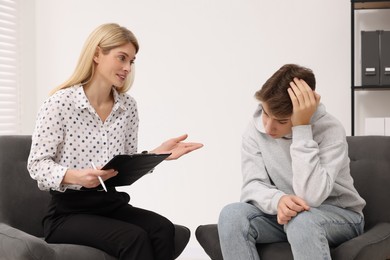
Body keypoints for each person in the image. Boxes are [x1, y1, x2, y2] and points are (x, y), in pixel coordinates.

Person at [27, 23, 203, 260]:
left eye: (131, 61)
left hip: (110, 203)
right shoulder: (59, 103)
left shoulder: (127, 107)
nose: (127, 68)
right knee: (133, 238)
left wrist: (158, 155)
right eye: (122, 58)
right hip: (67, 212)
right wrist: (78, 176)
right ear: (97, 54)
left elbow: (123, 165)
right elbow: (36, 165)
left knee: (163, 229)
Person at [218, 64, 365, 260]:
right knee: (231, 215)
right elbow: (252, 186)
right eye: (266, 113)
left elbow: (311, 197)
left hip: (340, 216)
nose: (269, 127)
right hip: (287, 217)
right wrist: (278, 200)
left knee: (302, 222)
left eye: (281, 121)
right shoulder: (254, 130)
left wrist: (302, 130)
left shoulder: (330, 130)